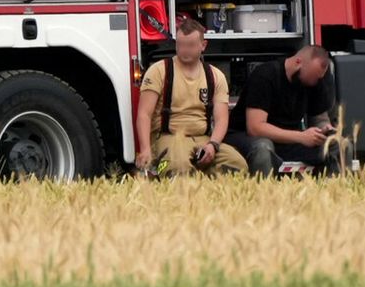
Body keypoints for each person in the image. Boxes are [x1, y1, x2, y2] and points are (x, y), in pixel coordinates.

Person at [135, 18, 247, 175]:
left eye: (190, 45)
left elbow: (221, 119)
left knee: (237, 165)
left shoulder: (216, 76)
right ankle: (163, 173)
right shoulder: (159, 71)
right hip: (169, 138)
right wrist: (145, 149)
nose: (184, 50)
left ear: (203, 45)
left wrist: (212, 145)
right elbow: (144, 114)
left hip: (203, 139)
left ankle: (210, 191)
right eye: (180, 45)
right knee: (178, 167)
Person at [225, 44, 338, 174]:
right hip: (245, 135)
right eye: (311, 77)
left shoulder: (316, 80)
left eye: (318, 78)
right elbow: (255, 128)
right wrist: (301, 136)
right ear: (298, 62)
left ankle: (334, 192)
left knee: (337, 145)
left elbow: (319, 118)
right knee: (263, 147)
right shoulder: (265, 76)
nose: (314, 83)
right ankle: (264, 192)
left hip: (288, 140)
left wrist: (324, 130)